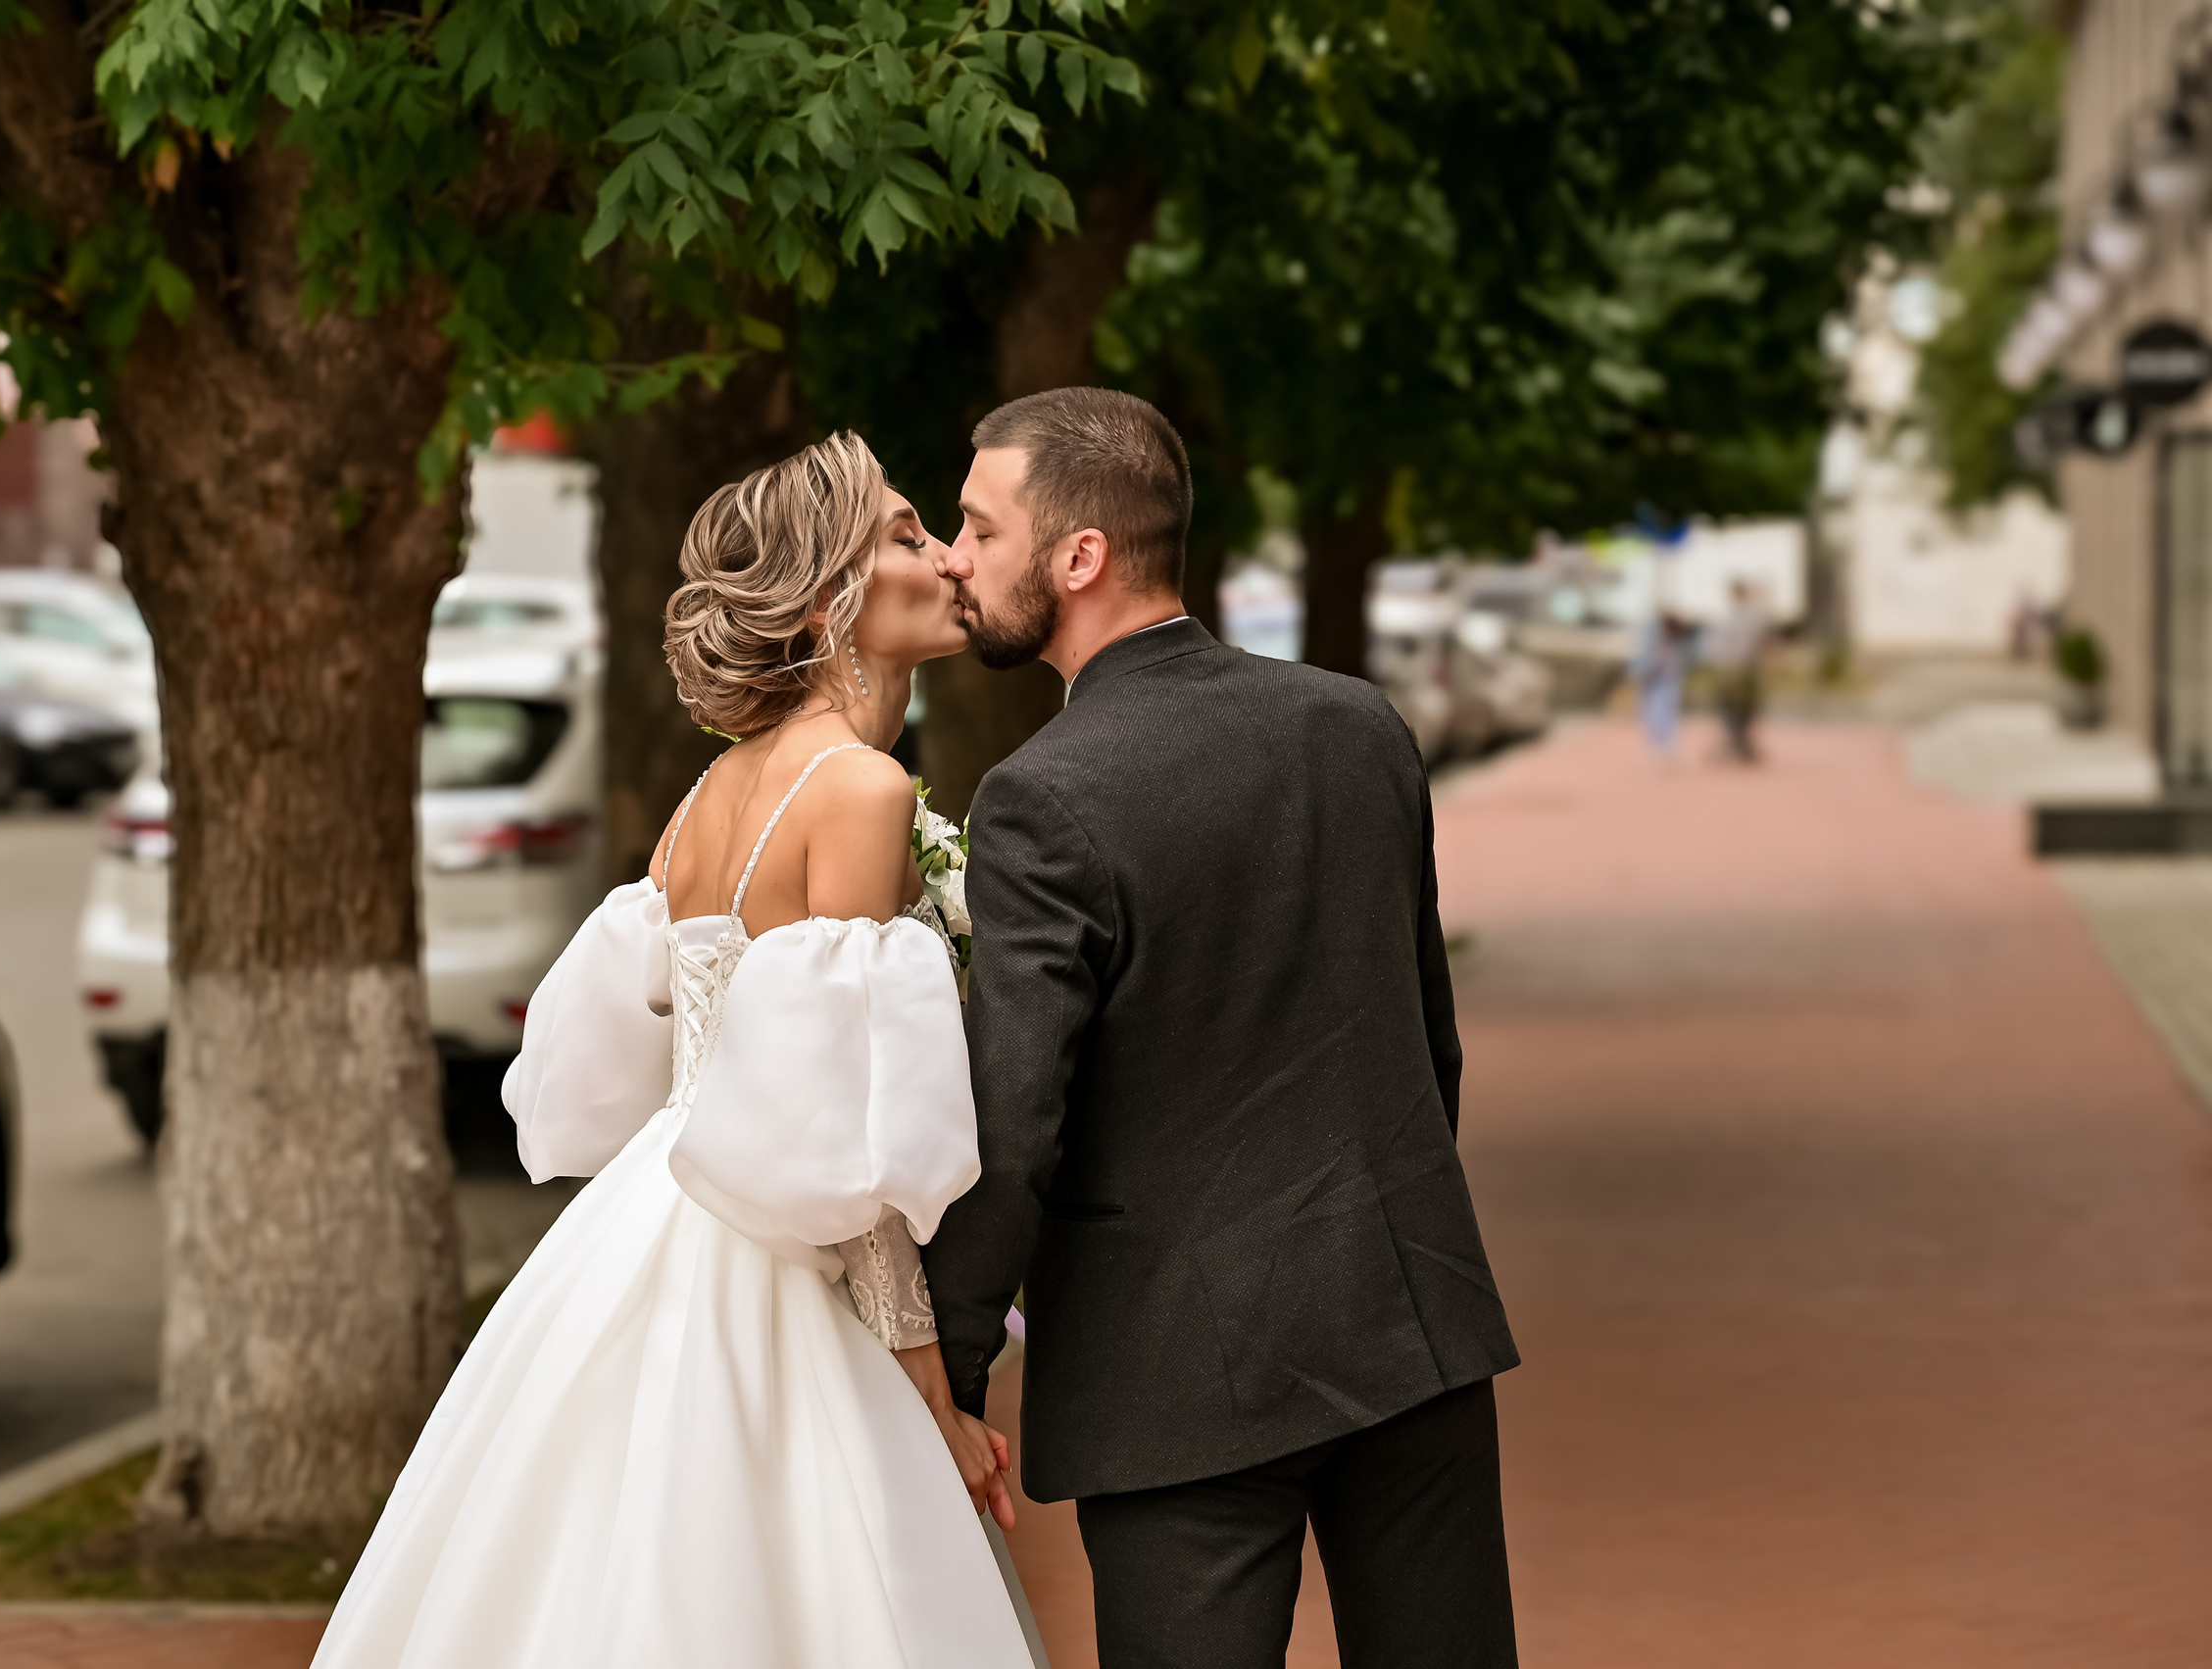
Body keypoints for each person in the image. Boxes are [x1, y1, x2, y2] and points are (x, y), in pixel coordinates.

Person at [310, 433, 1048, 1669]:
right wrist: (930, 1387)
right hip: (779, 1247)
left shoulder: (707, 796)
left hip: (647, 1216)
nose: (942, 558)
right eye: (905, 533)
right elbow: (843, 1137)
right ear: (824, 601)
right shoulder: (860, 791)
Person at [923, 387, 1522, 1669]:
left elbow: (1014, 1119)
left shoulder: (1043, 798)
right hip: (1410, 1323)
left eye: (979, 526)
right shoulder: (1359, 726)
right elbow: (1429, 1040)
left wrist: (948, 1365)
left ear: (1079, 556)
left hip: (1174, 1374)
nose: (953, 556)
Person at [1705, 579, 1770, 764]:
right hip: (1742, 668)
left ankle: (1738, 744)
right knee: (1741, 710)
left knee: (1736, 709)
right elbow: (1761, 642)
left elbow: (1715, 646)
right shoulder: (1748, 617)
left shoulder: (1726, 617)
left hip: (1734, 668)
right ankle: (1739, 745)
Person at [1634, 610, 1690, 760]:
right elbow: (1648, 661)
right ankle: (1660, 745)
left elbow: (1673, 664)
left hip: (1667, 681)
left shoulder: (1673, 642)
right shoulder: (1656, 639)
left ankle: (1665, 745)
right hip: (1657, 680)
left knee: (1665, 714)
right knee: (1657, 714)